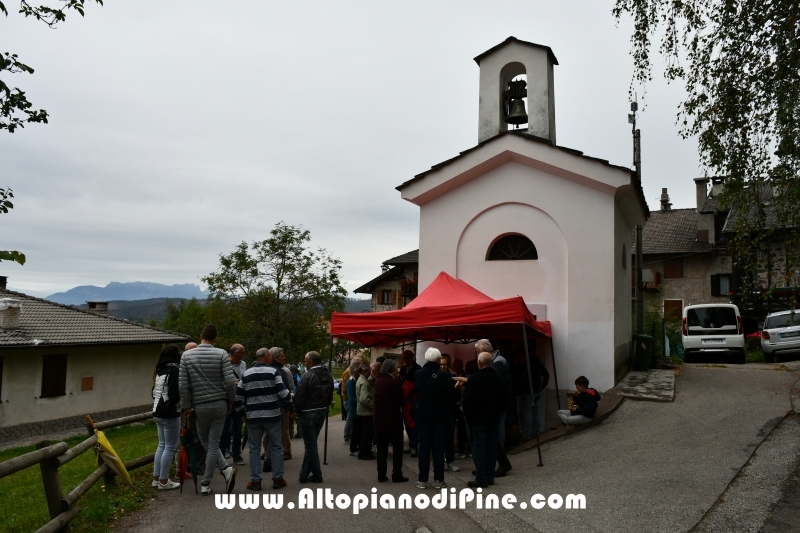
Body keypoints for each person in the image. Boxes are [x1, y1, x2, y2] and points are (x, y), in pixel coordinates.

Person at [179, 325, 237, 496]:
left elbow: (183, 385)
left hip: (199, 405)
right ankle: (223, 471)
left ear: (200, 336)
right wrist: (230, 400)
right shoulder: (221, 354)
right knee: (212, 442)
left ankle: (207, 482)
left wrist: (187, 405)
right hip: (219, 403)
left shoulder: (186, 356)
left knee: (206, 440)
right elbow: (228, 381)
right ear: (215, 338)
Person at [236, 347, 290, 491]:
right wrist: (291, 399)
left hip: (253, 416)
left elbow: (238, 397)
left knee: (254, 448)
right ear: (266, 356)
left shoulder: (246, 374)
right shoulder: (274, 372)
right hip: (272, 415)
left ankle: (256, 481)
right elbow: (282, 392)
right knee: (276, 446)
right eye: (270, 356)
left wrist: (242, 413)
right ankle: (278, 479)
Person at [461, 351, 509, 488]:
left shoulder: (475, 379)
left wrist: (469, 417)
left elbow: (468, 401)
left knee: (479, 449)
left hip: (478, 419)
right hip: (493, 418)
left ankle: (481, 477)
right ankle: (489, 476)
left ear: (479, 363)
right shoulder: (498, 378)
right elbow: (505, 398)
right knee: (491, 448)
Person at [414, 347, 453, 490]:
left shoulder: (418, 373)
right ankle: (439, 479)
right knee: (438, 447)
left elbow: (417, 391)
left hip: (423, 415)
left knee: (424, 447)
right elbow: (450, 395)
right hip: (440, 416)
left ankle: (422, 480)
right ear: (438, 360)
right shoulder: (444, 376)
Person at [293, 351, 334, 483]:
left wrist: (296, 411)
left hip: (307, 413)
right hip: (321, 411)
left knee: (311, 446)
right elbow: (330, 394)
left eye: (305, 361)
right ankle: (303, 474)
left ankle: (317, 474)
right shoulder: (328, 375)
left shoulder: (308, 376)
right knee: (311, 445)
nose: (304, 363)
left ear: (311, 362)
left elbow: (300, 397)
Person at [475, 339, 513, 478]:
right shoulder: (495, 360)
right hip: (493, 403)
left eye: (478, 351)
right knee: (492, 434)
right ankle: (486, 466)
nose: (477, 354)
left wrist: (470, 380)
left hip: (497, 403)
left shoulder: (499, 362)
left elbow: (488, 379)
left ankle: (500, 464)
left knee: (496, 432)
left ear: (485, 350)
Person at [373, 358, 408, 483]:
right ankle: (396, 474)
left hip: (380, 419)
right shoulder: (395, 383)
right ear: (392, 370)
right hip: (393, 420)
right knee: (397, 449)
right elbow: (402, 401)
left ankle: (381, 474)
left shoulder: (378, 381)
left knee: (382, 449)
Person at [151, 345, 182, 490]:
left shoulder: (159, 370)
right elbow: (175, 395)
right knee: (170, 447)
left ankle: (156, 478)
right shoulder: (174, 370)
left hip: (157, 411)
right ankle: (164, 480)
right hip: (169, 413)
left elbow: (154, 392)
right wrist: (180, 405)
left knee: (161, 445)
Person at [512, 351, 550, 441]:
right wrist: (542, 386)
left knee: (527, 414)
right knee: (536, 413)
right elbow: (547, 375)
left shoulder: (525, 365)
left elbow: (519, 378)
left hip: (527, 391)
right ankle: (536, 433)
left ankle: (527, 435)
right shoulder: (539, 364)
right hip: (537, 391)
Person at [219, 344, 246, 464]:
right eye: (242, 352)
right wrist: (231, 383)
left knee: (238, 429)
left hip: (239, 400)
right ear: (235, 353)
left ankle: (236, 454)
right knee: (224, 430)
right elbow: (219, 382)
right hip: (227, 400)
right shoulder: (224, 365)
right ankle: (220, 457)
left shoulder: (243, 364)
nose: (244, 354)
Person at [270, 347, 294, 461]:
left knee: (283, 430)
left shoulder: (284, 371)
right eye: (281, 355)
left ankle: (286, 451)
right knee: (272, 430)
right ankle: (269, 451)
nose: (284, 357)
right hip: (276, 404)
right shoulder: (276, 370)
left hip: (282, 404)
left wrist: (290, 406)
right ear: (275, 357)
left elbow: (288, 389)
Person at [439, 355, 461, 473]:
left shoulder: (452, 377)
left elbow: (456, 396)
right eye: (441, 364)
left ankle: (450, 461)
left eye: (444, 364)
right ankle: (441, 461)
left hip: (450, 412)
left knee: (449, 437)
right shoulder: (435, 376)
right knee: (440, 438)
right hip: (439, 412)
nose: (442, 366)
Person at [399, 350, 421, 457]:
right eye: (403, 358)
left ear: (412, 357)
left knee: (413, 424)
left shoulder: (418, 369)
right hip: (404, 401)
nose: (405, 360)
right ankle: (411, 445)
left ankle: (414, 447)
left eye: (407, 358)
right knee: (407, 424)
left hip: (413, 400)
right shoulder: (403, 369)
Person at [356, 362, 378, 460]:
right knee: (367, 434)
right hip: (366, 412)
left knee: (366, 433)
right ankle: (364, 453)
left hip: (364, 411)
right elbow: (364, 399)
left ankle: (365, 451)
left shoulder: (362, 380)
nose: (371, 371)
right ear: (366, 371)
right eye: (369, 369)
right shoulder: (364, 382)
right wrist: (375, 406)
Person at [346, 361, 361, 456]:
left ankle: (358, 447)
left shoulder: (355, 380)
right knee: (355, 430)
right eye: (358, 371)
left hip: (358, 409)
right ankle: (353, 449)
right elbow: (351, 399)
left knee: (358, 430)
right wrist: (361, 401)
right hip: (354, 410)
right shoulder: (350, 382)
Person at [340, 363, 353, 444]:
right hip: (347, 398)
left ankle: (349, 436)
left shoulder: (350, 370)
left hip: (347, 397)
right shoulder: (349, 371)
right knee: (350, 417)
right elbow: (344, 386)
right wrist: (347, 395)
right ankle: (347, 437)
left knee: (350, 417)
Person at [289, 364, 301, 438]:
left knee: (294, 416)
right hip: (293, 397)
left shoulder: (297, 378)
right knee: (293, 417)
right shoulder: (295, 377)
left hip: (295, 398)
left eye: (292, 371)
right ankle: (292, 433)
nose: (291, 372)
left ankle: (297, 432)